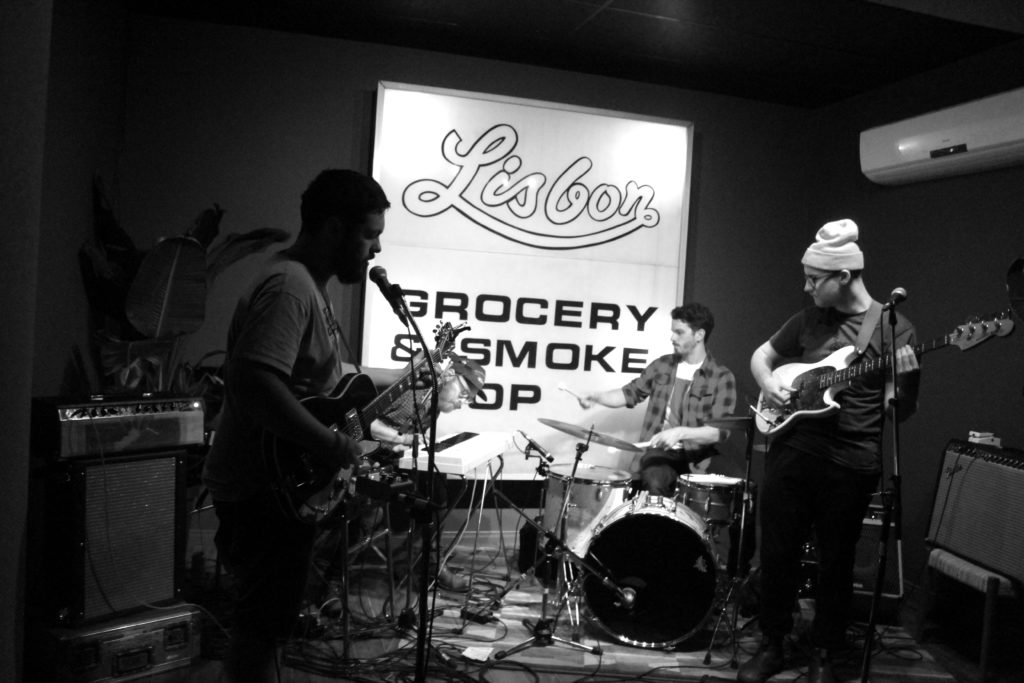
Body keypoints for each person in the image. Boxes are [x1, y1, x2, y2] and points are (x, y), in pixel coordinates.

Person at [201, 169, 391, 682]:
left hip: (276, 489)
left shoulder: (308, 286)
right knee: (258, 631)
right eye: (369, 234)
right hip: (262, 488)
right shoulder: (290, 287)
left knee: (268, 625)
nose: (375, 250)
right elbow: (255, 381)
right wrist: (331, 444)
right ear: (333, 228)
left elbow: (311, 388)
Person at [740, 219, 920, 683]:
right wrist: (769, 384)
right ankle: (773, 643)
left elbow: (895, 412)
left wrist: (909, 379)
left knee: (836, 562)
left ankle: (824, 649)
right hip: (793, 448)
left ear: (843, 276)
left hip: (852, 458)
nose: (806, 286)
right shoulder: (807, 319)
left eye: (814, 279)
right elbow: (761, 356)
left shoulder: (893, 328)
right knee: (777, 554)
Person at [576, 302, 737, 495]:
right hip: (661, 454)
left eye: (679, 332)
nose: (672, 338)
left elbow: (719, 433)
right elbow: (629, 393)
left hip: (699, 458)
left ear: (699, 335)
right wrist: (596, 397)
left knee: (728, 489)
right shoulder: (662, 365)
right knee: (654, 477)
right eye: (672, 332)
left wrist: (680, 433)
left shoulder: (721, 376)